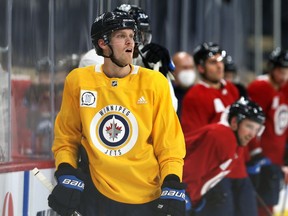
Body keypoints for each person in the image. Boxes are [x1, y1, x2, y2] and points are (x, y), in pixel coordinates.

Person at [48, 11, 186, 216]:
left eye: (132, 36)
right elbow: (67, 138)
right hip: (96, 195)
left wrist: (172, 181)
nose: (130, 42)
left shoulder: (154, 83)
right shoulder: (78, 80)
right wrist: (66, 172)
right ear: (103, 43)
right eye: (122, 36)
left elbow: (169, 145)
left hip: (147, 196)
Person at [79, 4, 178, 111]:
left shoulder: (144, 60)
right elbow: (114, 107)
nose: (134, 43)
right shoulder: (92, 60)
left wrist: (159, 74)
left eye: (142, 36)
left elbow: (171, 109)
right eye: (122, 35)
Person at [183, 97, 265, 216]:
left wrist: (195, 198)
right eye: (249, 126)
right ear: (234, 122)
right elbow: (189, 172)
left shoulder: (237, 143)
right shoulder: (221, 137)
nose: (252, 135)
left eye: (257, 129)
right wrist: (183, 195)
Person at [246, 47, 288, 216]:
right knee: (260, 204)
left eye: (286, 71)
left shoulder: (285, 88)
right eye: (280, 70)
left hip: (276, 157)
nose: (283, 75)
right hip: (260, 159)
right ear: (271, 68)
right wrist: (256, 152)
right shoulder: (260, 87)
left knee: (270, 202)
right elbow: (251, 124)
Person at [171, 51, 196, 118]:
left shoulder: (198, 92)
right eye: (184, 67)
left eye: (191, 67)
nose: (188, 71)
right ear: (173, 69)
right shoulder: (169, 92)